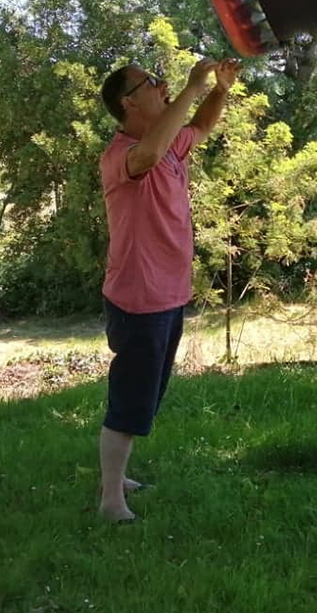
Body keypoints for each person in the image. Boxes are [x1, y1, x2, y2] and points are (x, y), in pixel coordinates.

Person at [96, 56, 240, 521]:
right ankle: (110, 500)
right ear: (128, 103)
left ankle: (117, 477)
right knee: (131, 398)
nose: (162, 85)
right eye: (151, 82)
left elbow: (199, 127)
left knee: (147, 395)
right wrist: (192, 86)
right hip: (139, 297)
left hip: (168, 293)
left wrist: (218, 89)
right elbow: (149, 155)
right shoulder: (122, 155)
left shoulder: (170, 143)